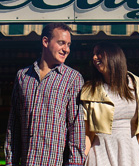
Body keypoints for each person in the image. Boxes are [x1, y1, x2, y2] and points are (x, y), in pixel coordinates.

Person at [5, 23, 85, 166]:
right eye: (61, 43)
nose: (66, 49)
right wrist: (10, 161)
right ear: (45, 42)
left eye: (68, 44)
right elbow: (14, 125)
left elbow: (76, 127)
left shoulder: (73, 78)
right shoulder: (23, 76)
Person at [80, 42, 139, 166]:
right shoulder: (89, 90)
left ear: (113, 56)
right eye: (93, 54)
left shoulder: (138, 86)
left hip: (130, 153)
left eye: (99, 53)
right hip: (100, 154)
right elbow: (88, 133)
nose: (94, 57)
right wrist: (80, 161)